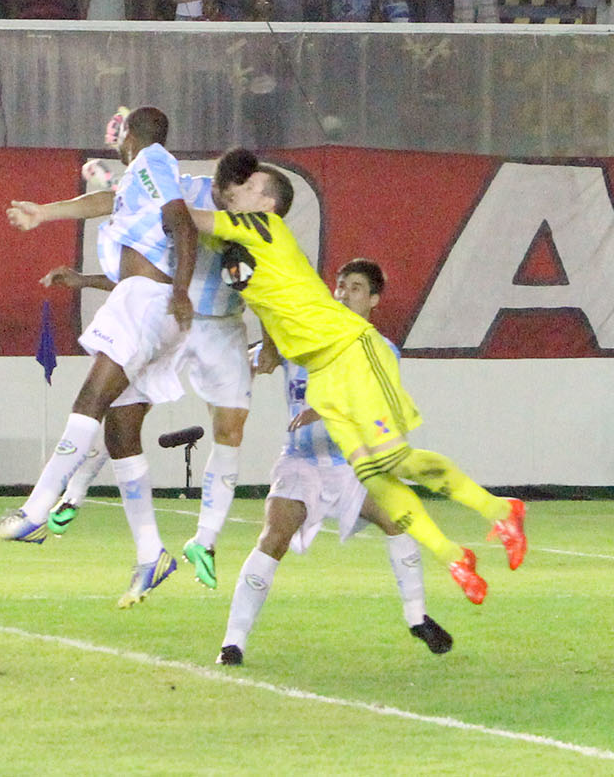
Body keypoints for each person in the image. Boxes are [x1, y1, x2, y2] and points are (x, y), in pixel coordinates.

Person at [165, 150, 526, 605]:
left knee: (394, 461)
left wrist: (150, 179)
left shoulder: (260, 227)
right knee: (377, 476)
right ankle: (455, 557)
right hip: (323, 372)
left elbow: (183, 214)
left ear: (267, 203)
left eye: (251, 186)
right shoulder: (239, 242)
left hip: (351, 350)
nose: (241, 190)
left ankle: (502, 509)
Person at [5, 129, 257, 592]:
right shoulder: (188, 190)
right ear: (230, 184)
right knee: (120, 417)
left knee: (227, 430)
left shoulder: (262, 228)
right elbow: (122, 201)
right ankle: (81, 504)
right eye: (255, 190)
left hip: (216, 326)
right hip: (174, 313)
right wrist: (63, 241)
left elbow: (281, 294)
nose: (261, 201)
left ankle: (203, 539)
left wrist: (277, 344)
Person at [0, 106, 198, 610]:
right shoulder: (135, 180)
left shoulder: (152, 161)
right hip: (153, 303)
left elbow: (181, 222)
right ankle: (151, 555)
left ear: (129, 134)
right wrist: (46, 213)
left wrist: (182, 289)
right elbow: (105, 198)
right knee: (121, 432)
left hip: (148, 299)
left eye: (119, 128)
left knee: (89, 400)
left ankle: (35, 512)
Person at [219, 259, 450, 666]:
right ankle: (233, 643)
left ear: (374, 300)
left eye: (356, 288)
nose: (343, 293)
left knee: (399, 520)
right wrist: (258, 351)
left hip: (354, 465)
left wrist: (325, 409)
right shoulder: (301, 337)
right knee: (273, 538)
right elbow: (261, 357)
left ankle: (417, 618)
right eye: (341, 286)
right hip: (301, 461)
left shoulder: (379, 350)